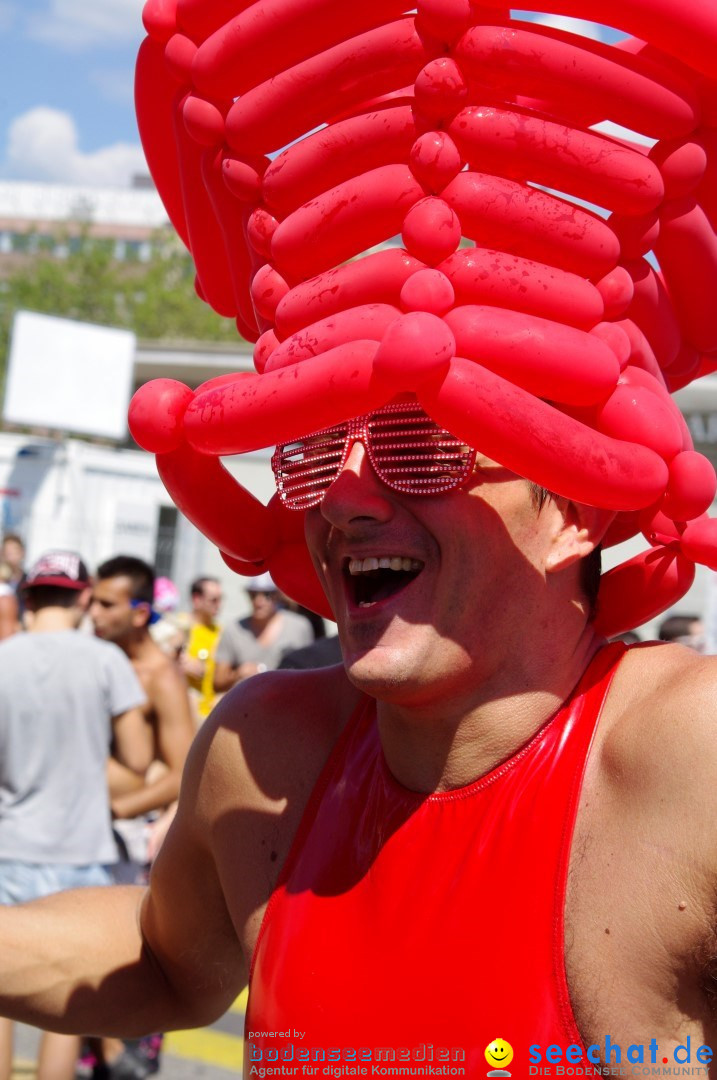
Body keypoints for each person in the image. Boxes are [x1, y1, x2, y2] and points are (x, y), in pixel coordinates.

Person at [0, 550, 150, 1080]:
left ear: (29, 596)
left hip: (9, 848)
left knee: (1, 998)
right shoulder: (104, 660)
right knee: (65, 1011)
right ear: (84, 596)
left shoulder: (3, 658)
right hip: (81, 850)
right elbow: (137, 757)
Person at [88, 556, 195, 1079]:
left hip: (131, 837)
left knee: (125, 957)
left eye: (106, 603)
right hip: (86, 832)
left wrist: (119, 807)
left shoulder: (159, 676)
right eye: (91, 599)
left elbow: (184, 769)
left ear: (139, 612)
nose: (93, 611)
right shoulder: (92, 657)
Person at [212, 572, 313, 693]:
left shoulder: (299, 627)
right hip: (246, 705)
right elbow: (217, 682)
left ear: (278, 595)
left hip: (288, 701)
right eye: (253, 595)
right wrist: (238, 674)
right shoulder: (234, 629)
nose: (259, 601)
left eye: (267, 595)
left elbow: (310, 673)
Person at [179, 576, 223, 722]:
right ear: (196, 599)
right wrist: (180, 664)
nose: (219, 605)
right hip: (185, 715)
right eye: (213, 600)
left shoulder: (221, 632)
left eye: (221, 599)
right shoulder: (179, 627)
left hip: (211, 715)